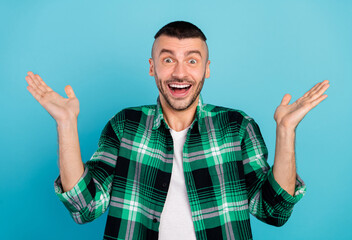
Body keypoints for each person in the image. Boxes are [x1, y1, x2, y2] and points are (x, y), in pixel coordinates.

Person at [25, 21, 330, 240]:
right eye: (168, 59)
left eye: (192, 60)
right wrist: (65, 125)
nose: (180, 72)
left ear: (207, 68)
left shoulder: (237, 127)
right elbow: (86, 207)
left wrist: (286, 131)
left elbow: (274, 212)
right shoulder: (125, 125)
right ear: (152, 67)